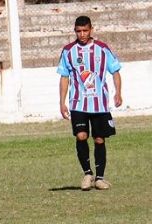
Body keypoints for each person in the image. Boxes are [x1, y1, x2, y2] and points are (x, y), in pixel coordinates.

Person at [57, 15, 122, 191]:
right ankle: (87, 173)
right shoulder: (68, 51)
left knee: (99, 139)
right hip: (78, 103)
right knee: (81, 136)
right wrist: (62, 102)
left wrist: (118, 93)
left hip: (100, 103)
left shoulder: (102, 49)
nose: (82, 34)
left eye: (85, 30)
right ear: (75, 31)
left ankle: (100, 178)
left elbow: (115, 71)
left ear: (91, 29)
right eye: (79, 31)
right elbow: (64, 77)